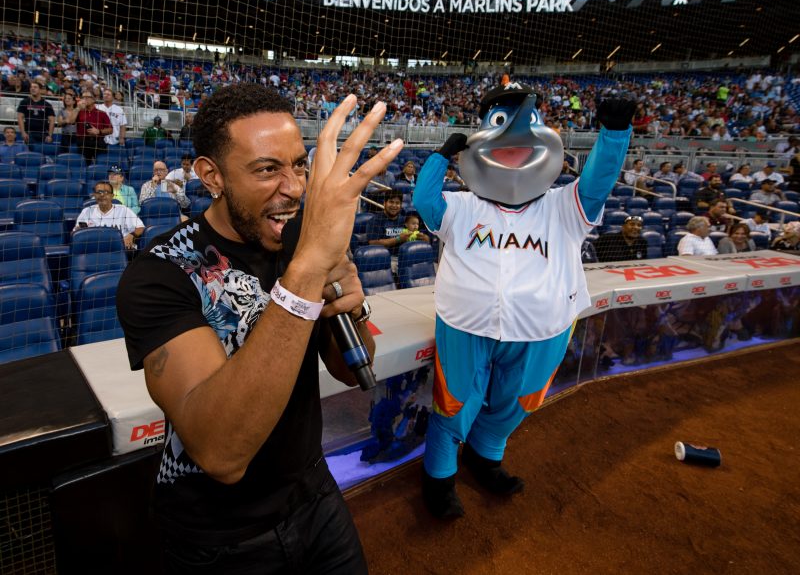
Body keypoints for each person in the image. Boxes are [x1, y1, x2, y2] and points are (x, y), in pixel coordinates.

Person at [116, 85, 401, 572]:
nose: (293, 188)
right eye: (268, 169)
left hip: (314, 494)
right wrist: (306, 275)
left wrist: (350, 307)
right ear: (212, 176)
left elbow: (355, 369)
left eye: (298, 165)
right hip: (219, 534)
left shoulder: (300, 243)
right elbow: (221, 454)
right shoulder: (160, 271)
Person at [412, 85, 634, 519]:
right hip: (465, 322)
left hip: (543, 327)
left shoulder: (566, 204)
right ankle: (439, 478)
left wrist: (614, 132)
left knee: (519, 400)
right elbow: (424, 202)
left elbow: (599, 181)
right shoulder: (461, 205)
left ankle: (485, 457)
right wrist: (442, 156)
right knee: (455, 401)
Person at [75, 181, 144, 249]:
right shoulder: (87, 211)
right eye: (99, 192)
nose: (102, 195)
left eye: (106, 192)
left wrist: (132, 235)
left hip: (120, 248)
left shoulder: (123, 210)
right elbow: (75, 232)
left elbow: (141, 227)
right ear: (94, 195)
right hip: (94, 248)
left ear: (112, 196)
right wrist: (79, 231)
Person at [68, 92, 112, 164]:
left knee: (100, 164)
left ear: (93, 99)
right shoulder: (78, 111)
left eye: (87, 97)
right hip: (83, 142)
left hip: (98, 142)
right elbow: (70, 121)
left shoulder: (102, 113)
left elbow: (110, 130)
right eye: (83, 97)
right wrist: (78, 108)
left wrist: (99, 131)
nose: (84, 99)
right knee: (83, 164)